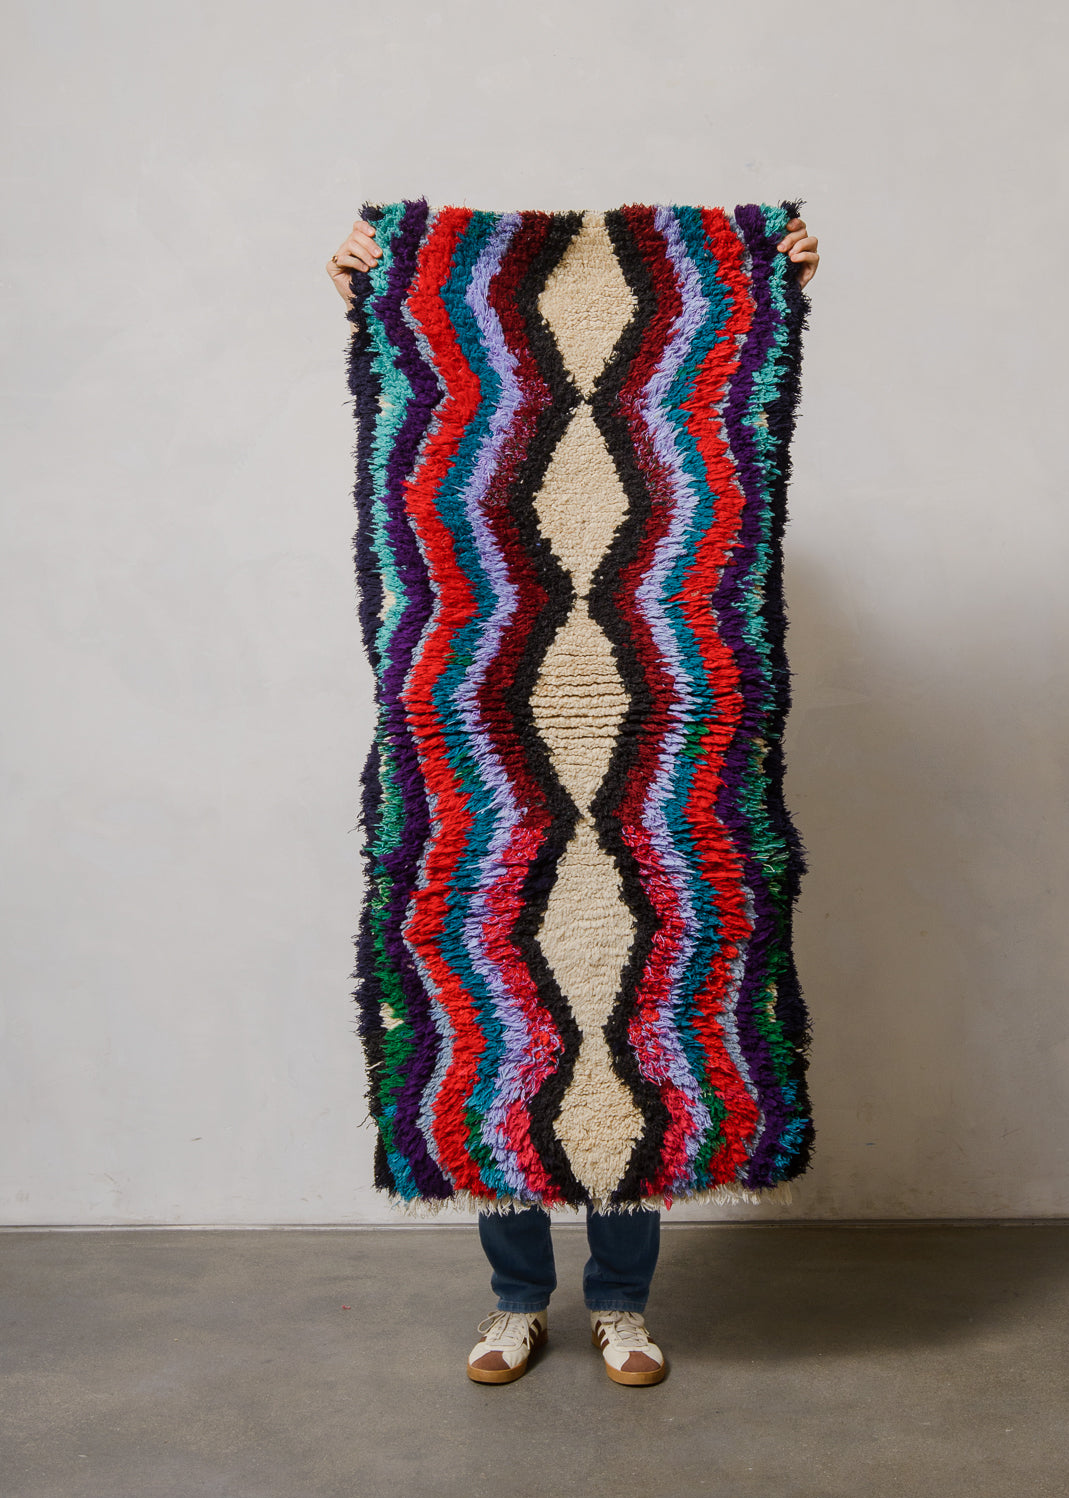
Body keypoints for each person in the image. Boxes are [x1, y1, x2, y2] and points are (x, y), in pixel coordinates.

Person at [327, 205, 819, 1387]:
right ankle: (513, 1301)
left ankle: (621, 1307)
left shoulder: (660, 489)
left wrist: (768, 278)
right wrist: (376, 288)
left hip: (648, 725)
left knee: (632, 1001)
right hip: (491, 723)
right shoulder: (487, 457)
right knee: (503, 1002)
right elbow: (429, 396)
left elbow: (710, 393)